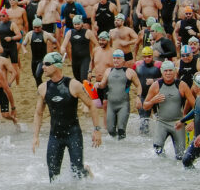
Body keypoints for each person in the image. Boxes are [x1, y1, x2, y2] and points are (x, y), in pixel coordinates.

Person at [32, 52, 103, 180]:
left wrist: (97, 130)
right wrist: (35, 136)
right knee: (53, 176)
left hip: (73, 134)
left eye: (47, 64)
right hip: (55, 135)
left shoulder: (73, 85)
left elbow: (92, 106)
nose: (43, 67)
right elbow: (38, 113)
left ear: (57, 66)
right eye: (43, 64)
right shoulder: (43, 88)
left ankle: (85, 170)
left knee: (78, 173)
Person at [142, 60, 195, 158]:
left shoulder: (181, 85)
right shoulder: (156, 85)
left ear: (175, 71)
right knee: (157, 150)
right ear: (161, 72)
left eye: (171, 70)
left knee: (181, 156)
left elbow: (196, 106)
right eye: (165, 71)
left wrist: (193, 121)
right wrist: (153, 101)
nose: (168, 73)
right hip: (162, 122)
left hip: (178, 123)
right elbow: (145, 106)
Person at [97, 49, 141, 140]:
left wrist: (138, 97)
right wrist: (97, 85)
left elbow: (139, 85)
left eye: (118, 58)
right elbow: (102, 85)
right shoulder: (108, 71)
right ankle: (114, 151)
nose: (116, 60)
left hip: (123, 105)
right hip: (111, 105)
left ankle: (123, 150)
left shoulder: (129, 72)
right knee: (110, 131)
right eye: (114, 58)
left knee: (121, 130)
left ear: (123, 60)